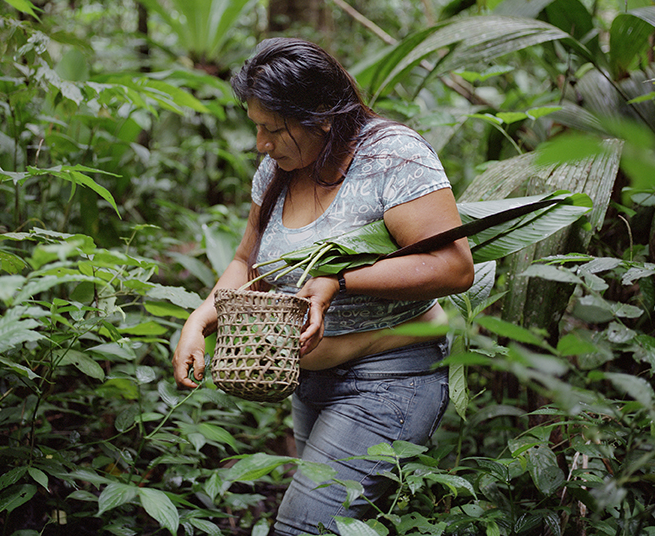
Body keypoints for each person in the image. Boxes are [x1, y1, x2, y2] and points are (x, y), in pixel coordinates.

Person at [172, 38, 474, 534]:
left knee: (302, 528)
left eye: (273, 129)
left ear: (321, 115)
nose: (260, 145)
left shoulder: (391, 157)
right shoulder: (279, 169)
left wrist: (342, 278)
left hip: (389, 377)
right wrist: (200, 320)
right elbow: (248, 260)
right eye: (257, 127)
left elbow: (453, 267)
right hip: (310, 385)